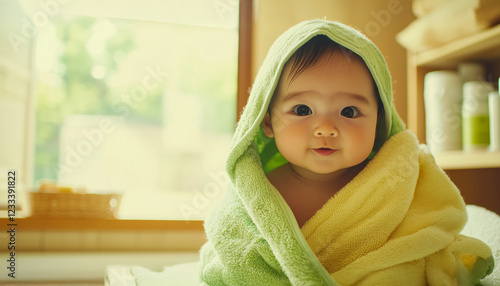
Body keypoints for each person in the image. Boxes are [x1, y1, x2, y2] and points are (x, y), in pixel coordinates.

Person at [200, 20, 494, 285]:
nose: (326, 128)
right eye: (302, 110)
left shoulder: (394, 180)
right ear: (266, 120)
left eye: (349, 111)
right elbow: (231, 248)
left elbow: (430, 227)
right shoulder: (258, 191)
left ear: (379, 121)